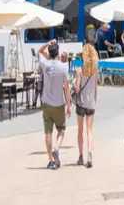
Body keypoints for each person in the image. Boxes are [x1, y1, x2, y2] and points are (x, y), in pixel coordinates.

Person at [37, 40, 71, 170]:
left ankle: (50, 160)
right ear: (58, 53)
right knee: (61, 130)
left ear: (50, 53)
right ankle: (56, 149)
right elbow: (66, 88)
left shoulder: (45, 64)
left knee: (48, 132)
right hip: (59, 104)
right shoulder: (63, 67)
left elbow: (40, 52)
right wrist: (68, 104)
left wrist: (47, 43)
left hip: (47, 103)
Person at [74, 44, 99, 168]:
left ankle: (80, 156)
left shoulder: (80, 70)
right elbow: (95, 88)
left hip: (81, 103)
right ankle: (89, 153)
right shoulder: (95, 70)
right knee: (89, 130)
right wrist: (94, 101)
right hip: (90, 103)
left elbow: (77, 89)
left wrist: (76, 83)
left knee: (80, 131)